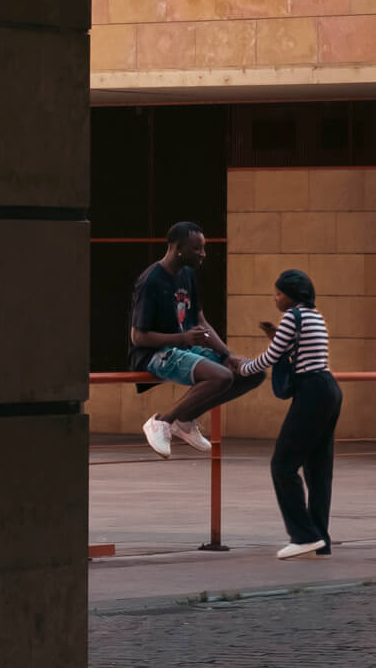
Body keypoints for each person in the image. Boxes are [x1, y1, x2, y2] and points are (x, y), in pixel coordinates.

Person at [127, 222, 265, 457]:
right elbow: (138, 336)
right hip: (153, 354)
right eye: (197, 248)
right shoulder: (151, 281)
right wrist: (183, 337)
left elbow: (200, 321)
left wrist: (227, 355)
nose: (203, 254)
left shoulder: (187, 275)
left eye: (203, 248)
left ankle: (185, 420)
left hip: (183, 349)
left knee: (251, 374)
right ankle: (162, 421)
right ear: (177, 248)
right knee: (220, 376)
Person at [240, 268, 340, 558]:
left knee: (282, 465)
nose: (275, 298)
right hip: (328, 389)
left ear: (292, 296)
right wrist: (276, 336)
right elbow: (299, 351)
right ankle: (320, 538)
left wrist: (241, 369)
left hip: (311, 392)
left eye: (278, 293)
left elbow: (271, 358)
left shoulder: (293, 317)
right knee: (318, 470)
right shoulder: (314, 315)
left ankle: (303, 535)